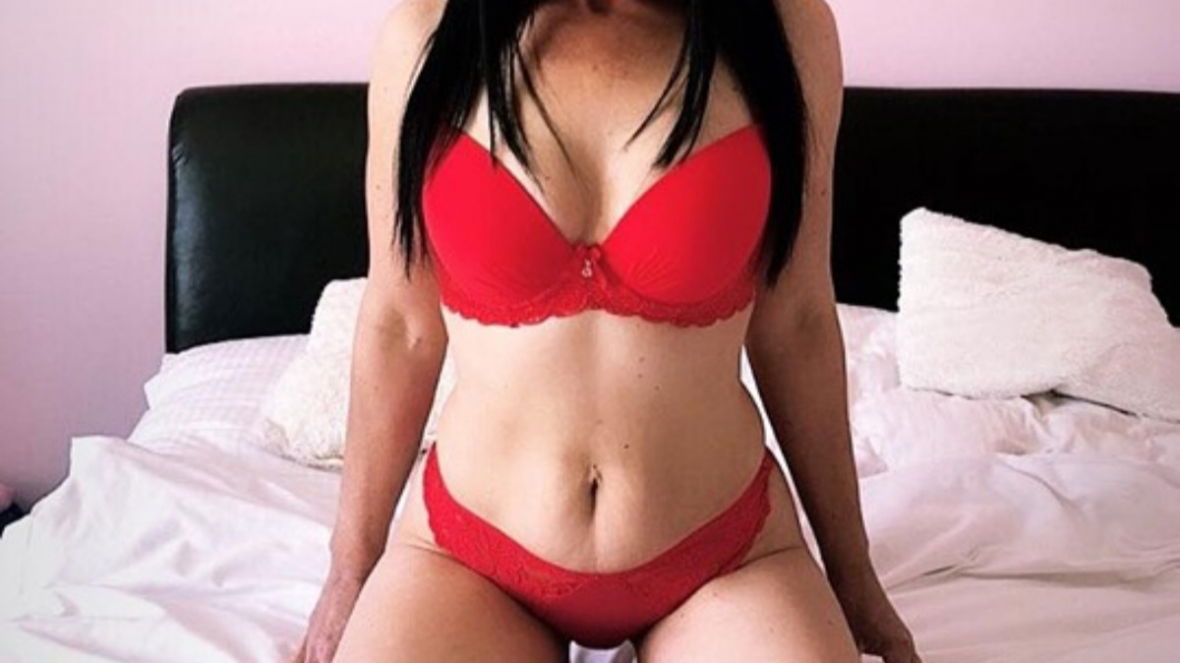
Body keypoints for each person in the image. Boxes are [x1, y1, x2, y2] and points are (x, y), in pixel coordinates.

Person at [291, 0, 921, 661]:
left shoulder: (787, 29)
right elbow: (400, 325)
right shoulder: (426, 37)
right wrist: (349, 569)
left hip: (722, 555)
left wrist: (854, 576)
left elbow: (798, 323)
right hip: (472, 556)